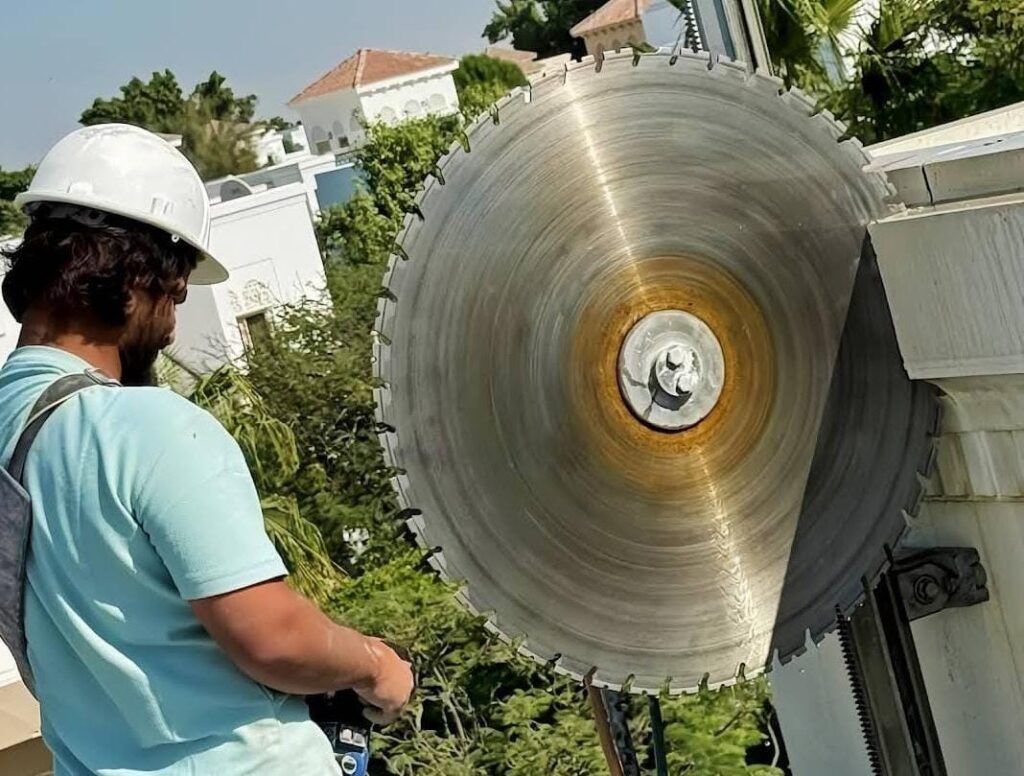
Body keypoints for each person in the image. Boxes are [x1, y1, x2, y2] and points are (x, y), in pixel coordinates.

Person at [0, 124, 413, 775]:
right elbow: (272, 638)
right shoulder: (144, 428)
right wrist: (375, 665)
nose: (171, 327)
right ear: (135, 278)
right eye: (177, 294)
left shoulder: (8, 430)